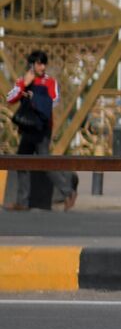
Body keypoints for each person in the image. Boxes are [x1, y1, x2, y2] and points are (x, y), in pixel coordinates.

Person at [5, 50, 77, 211]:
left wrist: (34, 97)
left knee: (44, 162)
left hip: (42, 128)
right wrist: (24, 83)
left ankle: (68, 192)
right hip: (28, 127)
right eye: (39, 63)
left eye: (44, 63)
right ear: (32, 64)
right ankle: (22, 202)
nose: (42, 67)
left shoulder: (50, 82)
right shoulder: (23, 80)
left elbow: (53, 102)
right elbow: (10, 98)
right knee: (21, 161)